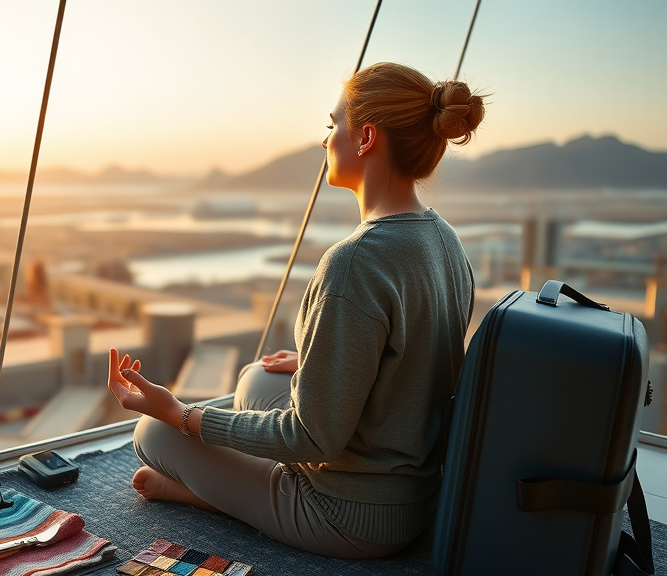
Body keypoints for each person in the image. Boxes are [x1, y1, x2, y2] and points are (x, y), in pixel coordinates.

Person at [107, 62, 486, 559]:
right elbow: (410, 367)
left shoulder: (354, 263)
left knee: (152, 433)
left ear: (366, 137)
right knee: (254, 380)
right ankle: (244, 490)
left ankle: (224, 499)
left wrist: (179, 413)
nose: (326, 139)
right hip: (418, 495)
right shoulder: (444, 238)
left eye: (333, 125)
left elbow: (311, 437)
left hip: (351, 514)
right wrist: (316, 363)